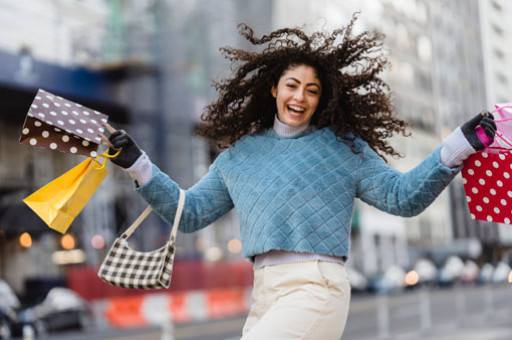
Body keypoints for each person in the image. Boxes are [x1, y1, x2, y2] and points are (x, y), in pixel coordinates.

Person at [106, 15, 496, 340]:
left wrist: (458, 147)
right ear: (274, 88)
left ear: (321, 98)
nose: (300, 97)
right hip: (263, 293)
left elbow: (403, 197)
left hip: (317, 287)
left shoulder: (344, 148)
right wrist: (138, 165)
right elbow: (189, 214)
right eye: (292, 86)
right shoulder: (239, 155)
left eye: (312, 90)